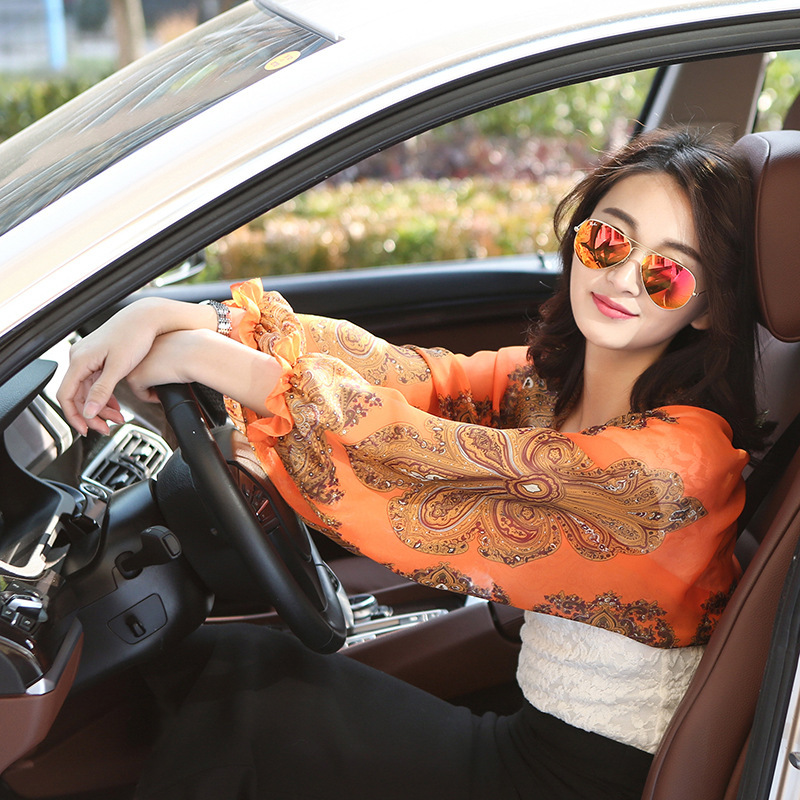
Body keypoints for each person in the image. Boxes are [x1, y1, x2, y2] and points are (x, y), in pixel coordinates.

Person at [57, 127, 762, 800]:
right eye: (609, 239)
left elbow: (414, 453)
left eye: (668, 273)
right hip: (532, 742)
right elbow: (412, 377)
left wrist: (212, 362)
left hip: (576, 784)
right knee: (237, 672)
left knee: (238, 710)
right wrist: (181, 318)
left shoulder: (677, 466)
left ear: (706, 308)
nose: (626, 278)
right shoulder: (554, 389)